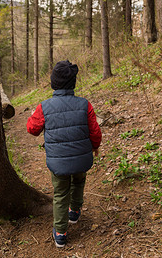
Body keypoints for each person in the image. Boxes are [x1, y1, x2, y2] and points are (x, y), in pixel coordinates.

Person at [26, 60, 102, 248]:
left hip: (58, 162)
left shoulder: (44, 107)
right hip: (82, 157)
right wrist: (95, 146)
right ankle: (74, 212)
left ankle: (60, 233)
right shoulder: (85, 104)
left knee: (60, 193)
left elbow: (32, 129)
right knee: (79, 181)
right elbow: (95, 132)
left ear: (53, 83)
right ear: (73, 83)